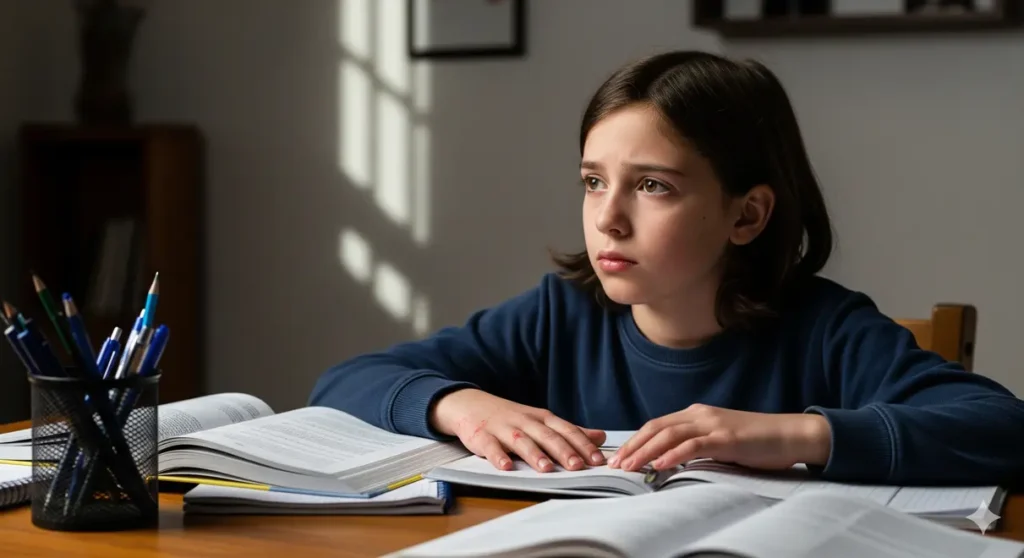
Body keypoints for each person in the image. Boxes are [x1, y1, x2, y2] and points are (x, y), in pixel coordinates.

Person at [309, 50, 1024, 487]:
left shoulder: (825, 329)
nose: (607, 218)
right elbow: (344, 382)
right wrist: (460, 404)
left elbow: (1003, 429)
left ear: (747, 215)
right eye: (594, 181)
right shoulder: (560, 315)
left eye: (653, 186)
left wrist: (794, 435)